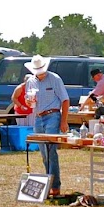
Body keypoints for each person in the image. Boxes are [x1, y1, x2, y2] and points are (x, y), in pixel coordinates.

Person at [25, 55, 69, 197]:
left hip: (52, 116)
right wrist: (28, 101)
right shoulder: (31, 81)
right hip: (38, 117)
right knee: (44, 153)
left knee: (51, 152)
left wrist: (63, 120)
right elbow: (28, 101)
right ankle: (49, 183)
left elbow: (65, 100)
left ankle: (55, 186)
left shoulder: (55, 79)